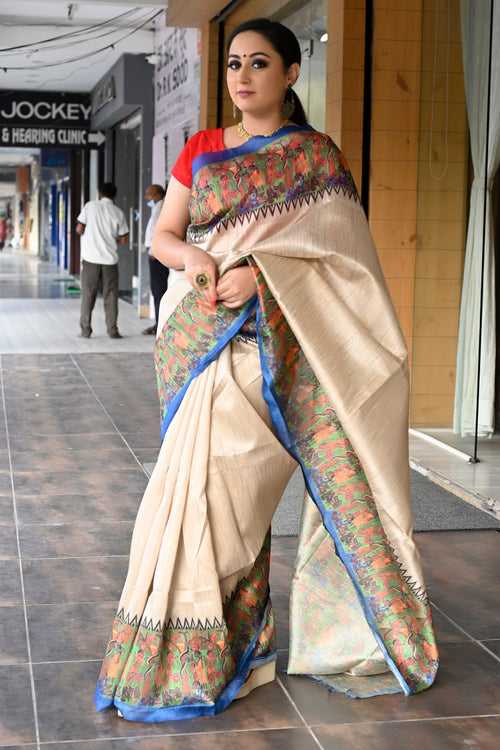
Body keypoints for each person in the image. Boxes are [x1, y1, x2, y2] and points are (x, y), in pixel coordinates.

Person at [96, 18, 438, 723]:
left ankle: (246, 636)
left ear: (289, 74)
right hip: (204, 344)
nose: (242, 75)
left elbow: (345, 263)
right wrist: (191, 260)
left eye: (258, 63)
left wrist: (263, 276)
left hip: (281, 354)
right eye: (232, 63)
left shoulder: (315, 159)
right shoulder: (202, 150)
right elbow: (166, 234)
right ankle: (207, 648)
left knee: (234, 502)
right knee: (188, 497)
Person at [76, 183, 129, 339]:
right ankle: (112, 330)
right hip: (110, 261)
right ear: (114, 195)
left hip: (90, 259)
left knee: (88, 295)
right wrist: (111, 240)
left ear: (99, 193)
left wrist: (89, 235)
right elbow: (124, 239)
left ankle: (86, 330)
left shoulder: (90, 206)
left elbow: (80, 228)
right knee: (111, 296)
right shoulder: (118, 212)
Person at [142, 184, 169, 335]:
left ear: (158, 194)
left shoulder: (162, 207)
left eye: (149, 194)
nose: (147, 197)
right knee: (157, 291)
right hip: (155, 254)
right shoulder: (158, 207)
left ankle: (160, 325)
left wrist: (154, 251)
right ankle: (158, 323)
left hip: (157, 256)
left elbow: (159, 232)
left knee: (159, 291)